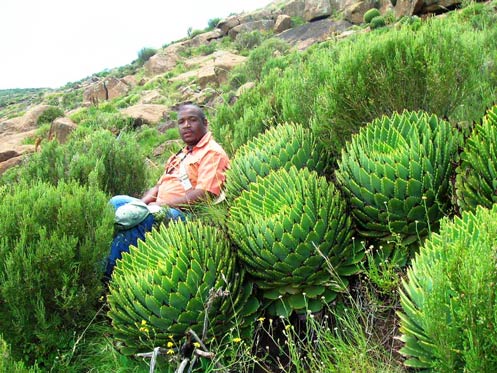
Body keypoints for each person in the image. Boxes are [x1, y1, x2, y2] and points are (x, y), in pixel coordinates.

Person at [104, 104, 230, 280]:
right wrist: (142, 203)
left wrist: (161, 205)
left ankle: (108, 276)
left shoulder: (212, 153)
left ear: (205, 123)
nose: (186, 125)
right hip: (162, 206)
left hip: (187, 215)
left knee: (141, 221)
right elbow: (158, 186)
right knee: (117, 203)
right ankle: (103, 255)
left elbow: (205, 194)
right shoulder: (181, 154)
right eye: (181, 122)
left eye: (192, 120)